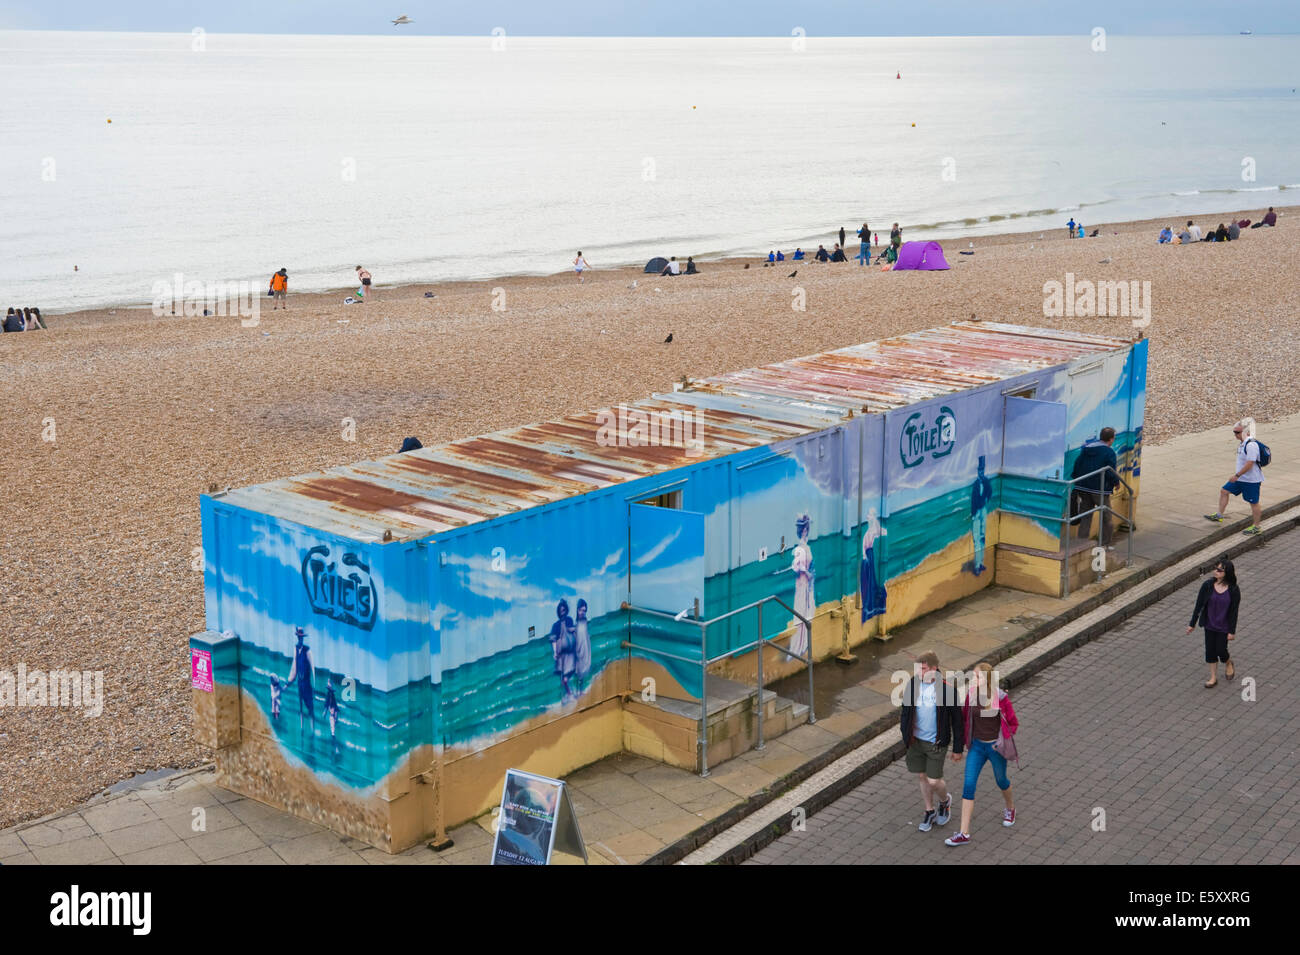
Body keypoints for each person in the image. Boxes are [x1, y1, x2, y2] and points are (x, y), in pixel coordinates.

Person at [945, 661, 1018, 845]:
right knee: (968, 785)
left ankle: (1010, 807)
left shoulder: (1000, 698)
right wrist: (959, 747)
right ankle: (964, 833)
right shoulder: (971, 696)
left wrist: (1001, 741)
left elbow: (1013, 723)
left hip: (995, 748)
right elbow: (963, 719)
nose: (972, 679)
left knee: (1001, 780)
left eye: (976, 676)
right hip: (977, 747)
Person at [900, 651, 965, 832]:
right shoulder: (913, 684)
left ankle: (945, 801)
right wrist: (905, 735)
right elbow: (905, 712)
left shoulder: (947, 690)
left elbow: (958, 722)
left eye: (923, 668)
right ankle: (929, 810)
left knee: (934, 781)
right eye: (918, 668)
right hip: (916, 741)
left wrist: (958, 748)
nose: (920, 672)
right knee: (922, 776)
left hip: (936, 742)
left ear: (934, 668)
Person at [1186, 560, 1240, 688]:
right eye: (1215, 568)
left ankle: (1228, 662)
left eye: (1219, 570)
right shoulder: (1207, 585)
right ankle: (1213, 678)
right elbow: (1198, 605)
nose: (1215, 571)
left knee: (1221, 650)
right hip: (1209, 624)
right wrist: (1192, 624)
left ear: (1227, 573)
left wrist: (1232, 631)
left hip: (1224, 626)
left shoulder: (1233, 590)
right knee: (1210, 651)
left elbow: (1234, 612)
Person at [1205, 419, 1263, 535]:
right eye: (1234, 432)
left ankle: (1257, 527)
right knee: (1224, 491)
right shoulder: (1242, 443)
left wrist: (1236, 475)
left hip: (1250, 481)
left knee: (1254, 503)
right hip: (1240, 479)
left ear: (1246, 431)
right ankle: (1219, 515)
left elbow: (1250, 463)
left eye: (1237, 432)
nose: (1235, 434)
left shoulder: (1251, 445)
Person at [1071, 427, 1120, 546]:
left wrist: (1077, 480)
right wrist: (1116, 482)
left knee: (1086, 516)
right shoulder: (1109, 452)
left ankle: (1081, 544)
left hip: (1083, 487)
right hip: (1099, 489)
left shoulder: (1086, 449)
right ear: (1111, 439)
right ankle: (1105, 544)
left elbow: (1077, 465)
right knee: (1106, 517)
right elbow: (1110, 470)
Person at [790, 514, 814, 658]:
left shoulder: (803, 547)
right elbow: (796, 566)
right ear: (804, 530)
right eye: (806, 528)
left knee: (805, 611)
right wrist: (807, 572)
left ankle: (803, 643)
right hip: (802, 583)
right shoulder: (801, 548)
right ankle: (799, 645)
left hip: (805, 583)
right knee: (801, 610)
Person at [284, 626, 316, 735]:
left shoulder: (307, 650)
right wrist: (288, 683)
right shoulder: (296, 648)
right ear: (297, 637)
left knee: (310, 707)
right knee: (301, 707)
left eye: (301, 637)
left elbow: (313, 669)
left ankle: (312, 730)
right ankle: (302, 730)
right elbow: (294, 667)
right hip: (300, 682)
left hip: (307, 683)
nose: (300, 638)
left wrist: (315, 685)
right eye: (299, 636)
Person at [859, 508, 887, 623]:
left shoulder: (875, 531)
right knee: (871, 583)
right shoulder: (869, 533)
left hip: (872, 559)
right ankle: (872, 605)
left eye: (869, 515)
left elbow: (865, 551)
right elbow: (863, 552)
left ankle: (873, 605)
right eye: (868, 515)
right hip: (870, 560)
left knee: (873, 583)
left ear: (873, 517)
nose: (867, 517)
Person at [548, 599, 578, 701]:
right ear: (559, 612)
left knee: (572, 670)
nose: (563, 612)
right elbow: (553, 640)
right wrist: (554, 652)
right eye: (561, 611)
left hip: (571, 652)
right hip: (562, 655)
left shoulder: (569, 620)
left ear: (566, 610)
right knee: (565, 675)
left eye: (564, 610)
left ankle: (569, 693)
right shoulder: (555, 625)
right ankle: (568, 694)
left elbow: (573, 632)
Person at [969, 456, 993, 575]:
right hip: (977, 512)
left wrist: (986, 500)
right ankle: (977, 565)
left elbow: (990, 491)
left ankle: (980, 563)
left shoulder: (986, 481)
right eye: (980, 470)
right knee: (976, 538)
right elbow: (973, 500)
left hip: (982, 510)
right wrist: (973, 514)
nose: (981, 472)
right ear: (977, 471)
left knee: (982, 536)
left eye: (982, 470)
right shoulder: (975, 484)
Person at [574, 598, 592, 691]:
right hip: (579, 650)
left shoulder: (585, 622)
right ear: (577, 610)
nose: (582, 612)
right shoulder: (576, 625)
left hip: (585, 649)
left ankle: (582, 690)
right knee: (579, 673)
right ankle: (579, 691)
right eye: (580, 610)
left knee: (584, 670)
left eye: (584, 610)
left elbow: (586, 637)